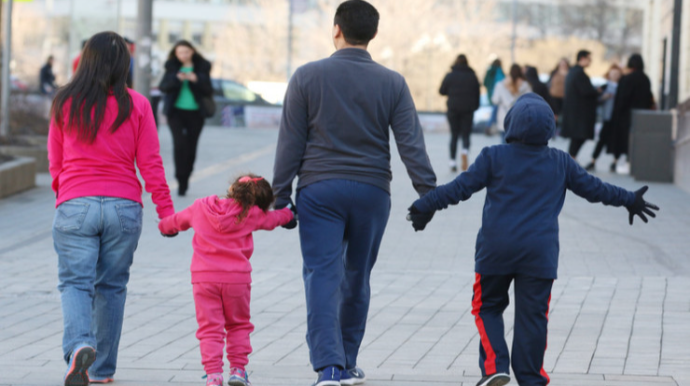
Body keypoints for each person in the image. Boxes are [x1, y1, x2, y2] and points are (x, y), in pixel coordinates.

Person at [407, 93, 659, 386]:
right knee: (533, 318)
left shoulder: (493, 156)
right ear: (550, 129)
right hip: (539, 255)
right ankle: (531, 378)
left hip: (495, 251)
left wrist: (423, 206)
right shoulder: (561, 162)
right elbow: (596, 189)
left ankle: (494, 367)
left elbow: (458, 188)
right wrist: (629, 199)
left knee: (486, 307)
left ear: (510, 124)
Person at [271, 1, 437, 385]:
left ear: (336, 30)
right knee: (357, 276)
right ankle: (347, 362)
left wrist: (280, 198)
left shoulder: (306, 77)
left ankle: (329, 366)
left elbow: (290, 143)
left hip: (319, 190)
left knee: (322, 276)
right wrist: (427, 194)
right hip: (372, 191)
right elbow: (411, 143)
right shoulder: (392, 82)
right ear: (374, 35)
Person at [48, 31, 175, 386]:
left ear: (85, 59)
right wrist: (166, 213)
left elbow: (55, 162)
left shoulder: (64, 102)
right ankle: (102, 370)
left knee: (75, 283)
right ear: (124, 65)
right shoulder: (137, 104)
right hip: (123, 206)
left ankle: (78, 347)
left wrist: (67, 194)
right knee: (112, 287)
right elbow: (150, 162)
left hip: (76, 202)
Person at [158, 175, 295, 386]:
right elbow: (274, 219)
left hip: (204, 280)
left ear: (232, 188)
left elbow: (174, 222)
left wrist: (165, 228)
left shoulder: (200, 207)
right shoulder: (252, 213)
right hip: (237, 281)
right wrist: (290, 214)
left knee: (210, 329)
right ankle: (238, 371)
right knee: (238, 325)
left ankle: (213, 376)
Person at [159, 40, 213, 196]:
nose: (183, 55)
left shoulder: (203, 66)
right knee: (179, 144)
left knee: (191, 146)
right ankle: (179, 178)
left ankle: (187, 176)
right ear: (175, 53)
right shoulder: (171, 66)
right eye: (179, 52)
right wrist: (177, 79)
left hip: (196, 113)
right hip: (175, 112)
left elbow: (208, 89)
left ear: (192, 51)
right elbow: (164, 87)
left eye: (186, 52)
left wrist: (196, 79)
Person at [609, 54, 654, 172]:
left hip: (624, 115)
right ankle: (631, 162)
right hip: (641, 115)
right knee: (636, 140)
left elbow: (621, 99)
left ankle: (615, 161)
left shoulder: (626, 78)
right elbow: (649, 98)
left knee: (621, 138)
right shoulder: (645, 79)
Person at [439, 54, 480, 172]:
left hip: (453, 109)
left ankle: (452, 162)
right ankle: (464, 152)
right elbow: (477, 93)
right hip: (468, 109)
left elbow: (441, 91)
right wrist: (475, 106)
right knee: (466, 135)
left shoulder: (450, 75)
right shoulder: (472, 76)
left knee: (454, 135)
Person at [561, 50, 600, 159]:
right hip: (579, 114)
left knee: (577, 138)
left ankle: (571, 159)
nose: (590, 61)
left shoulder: (573, 72)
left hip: (575, 113)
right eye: (589, 59)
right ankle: (571, 160)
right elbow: (586, 91)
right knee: (579, 137)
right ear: (582, 58)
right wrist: (597, 92)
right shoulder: (579, 73)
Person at [585, 64, 623, 172]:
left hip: (618, 119)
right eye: (613, 73)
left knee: (617, 141)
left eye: (617, 74)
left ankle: (615, 162)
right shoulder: (604, 86)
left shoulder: (622, 87)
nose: (615, 75)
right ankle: (593, 160)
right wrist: (603, 98)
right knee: (601, 140)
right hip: (607, 117)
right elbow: (596, 100)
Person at [491, 64, 531, 142]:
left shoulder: (501, 85)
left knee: (504, 142)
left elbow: (495, 100)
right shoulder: (525, 85)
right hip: (520, 116)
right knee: (518, 143)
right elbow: (529, 100)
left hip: (504, 116)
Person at [484, 57, 505, 131]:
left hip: (490, 93)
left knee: (495, 110)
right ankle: (490, 126)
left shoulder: (489, 71)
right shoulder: (499, 71)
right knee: (496, 111)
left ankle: (490, 125)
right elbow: (502, 82)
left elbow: (485, 83)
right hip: (498, 94)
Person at [548, 58, 569, 126]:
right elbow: (549, 83)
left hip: (565, 97)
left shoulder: (569, 73)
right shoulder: (554, 72)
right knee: (555, 114)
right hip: (554, 97)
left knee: (564, 114)